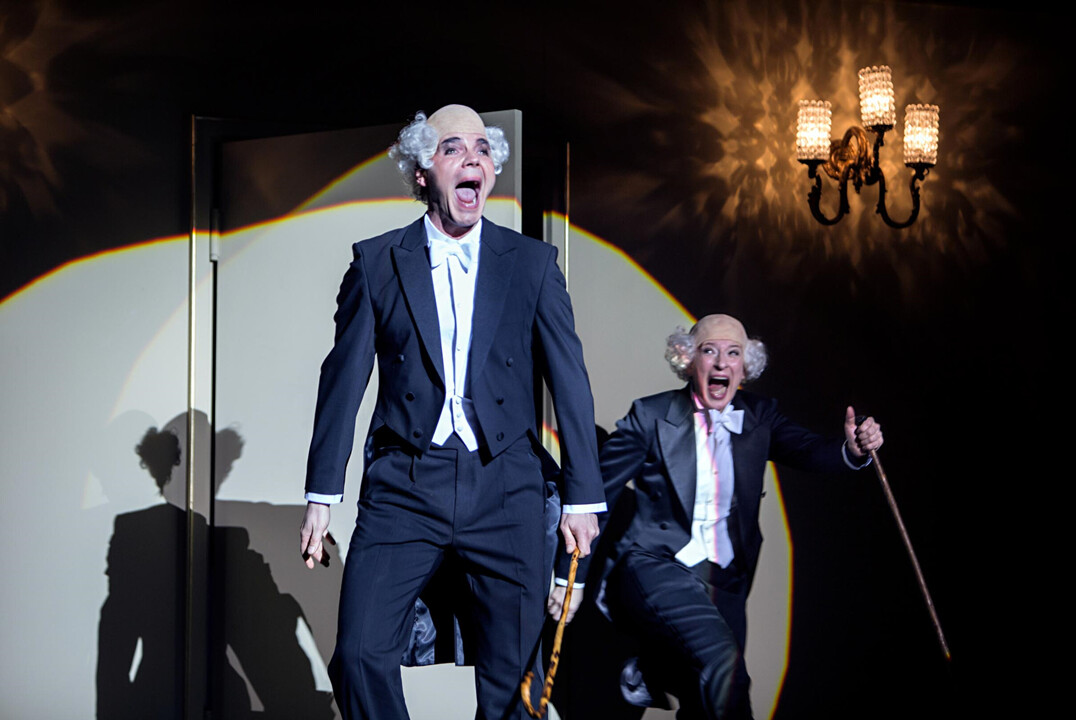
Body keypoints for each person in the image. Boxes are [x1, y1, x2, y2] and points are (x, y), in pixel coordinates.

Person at [299, 104, 605, 720]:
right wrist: (321, 495)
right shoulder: (378, 261)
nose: (473, 159)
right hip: (406, 483)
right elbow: (343, 381)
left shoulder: (532, 264)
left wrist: (583, 498)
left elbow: (570, 382)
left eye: (482, 150)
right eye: (452, 149)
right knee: (358, 655)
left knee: (514, 680)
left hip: (508, 484)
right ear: (421, 173)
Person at [548, 314, 883, 719]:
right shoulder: (651, 416)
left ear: (745, 367)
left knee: (706, 698)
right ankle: (656, 665)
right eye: (710, 351)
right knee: (726, 669)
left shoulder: (760, 416)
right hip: (658, 565)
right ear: (688, 361)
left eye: (733, 353)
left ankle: (657, 668)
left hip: (726, 581)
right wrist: (571, 580)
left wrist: (852, 450)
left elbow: (808, 450)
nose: (722, 362)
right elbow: (595, 498)